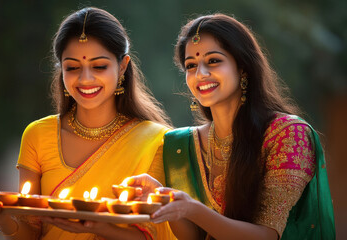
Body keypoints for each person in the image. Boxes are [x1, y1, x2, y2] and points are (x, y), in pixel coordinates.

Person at [0, 7, 176, 240]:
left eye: (99, 66)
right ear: (61, 70)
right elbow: (30, 234)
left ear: (122, 66)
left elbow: (156, 235)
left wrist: (93, 226)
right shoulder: (38, 135)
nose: (85, 78)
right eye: (72, 67)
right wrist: (2, 217)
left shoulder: (155, 141)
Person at [126, 13, 335, 240]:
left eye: (213, 61)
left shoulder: (288, 135)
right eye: (191, 65)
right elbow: (193, 237)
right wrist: (164, 198)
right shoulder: (180, 145)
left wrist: (192, 208)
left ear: (243, 67)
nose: (201, 74)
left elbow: (265, 236)